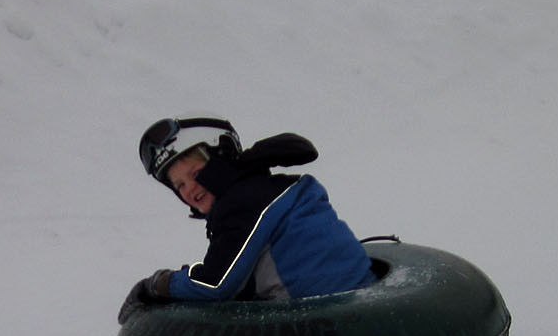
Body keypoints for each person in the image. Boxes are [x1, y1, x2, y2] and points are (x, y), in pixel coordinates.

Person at [118, 115, 375, 324]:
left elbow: (216, 283)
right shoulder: (266, 189)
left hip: (330, 320)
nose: (190, 188)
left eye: (196, 173)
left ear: (222, 160)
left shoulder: (241, 204)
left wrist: (160, 285)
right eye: (179, 185)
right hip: (364, 300)